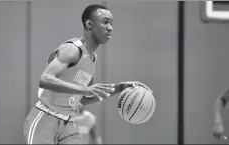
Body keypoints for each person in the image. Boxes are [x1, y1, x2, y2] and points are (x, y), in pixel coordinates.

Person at [23, 4, 152, 144]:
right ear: (89, 24)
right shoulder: (72, 50)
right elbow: (45, 79)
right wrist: (85, 89)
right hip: (45, 119)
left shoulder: (93, 59)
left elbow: (84, 98)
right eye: (105, 22)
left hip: (69, 124)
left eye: (111, 23)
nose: (110, 27)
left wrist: (118, 88)